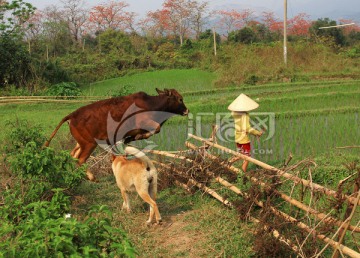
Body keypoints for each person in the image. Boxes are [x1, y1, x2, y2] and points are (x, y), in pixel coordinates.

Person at [228, 93, 263, 173]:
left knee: (240, 154)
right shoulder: (244, 115)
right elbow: (247, 128)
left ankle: (229, 162)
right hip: (244, 139)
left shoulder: (234, 113)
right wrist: (257, 133)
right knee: (247, 157)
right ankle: (242, 173)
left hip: (237, 137)